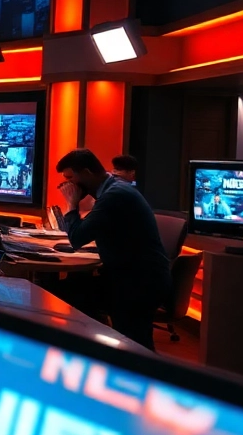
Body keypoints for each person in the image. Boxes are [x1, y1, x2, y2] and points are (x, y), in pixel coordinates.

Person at [47, 148, 170, 350]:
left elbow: (77, 238)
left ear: (86, 173)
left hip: (139, 283)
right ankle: (93, 349)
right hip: (133, 276)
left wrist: (71, 204)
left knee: (136, 346)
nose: (68, 186)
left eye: (70, 179)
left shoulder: (115, 196)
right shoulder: (113, 189)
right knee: (70, 289)